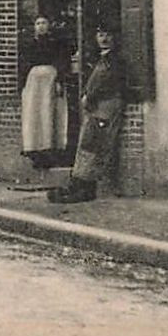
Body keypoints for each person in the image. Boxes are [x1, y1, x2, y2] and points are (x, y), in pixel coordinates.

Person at [48, 27, 127, 204]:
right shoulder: (100, 59)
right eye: (100, 35)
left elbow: (105, 82)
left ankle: (85, 187)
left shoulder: (114, 61)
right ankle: (78, 184)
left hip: (106, 105)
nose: (104, 39)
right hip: (97, 106)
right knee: (87, 144)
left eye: (108, 34)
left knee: (95, 145)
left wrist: (89, 96)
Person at [20, 16, 64, 168]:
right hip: (34, 82)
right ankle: (35, 150)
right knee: (34, 113)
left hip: (50, 80)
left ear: (49, 25)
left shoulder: (55, 44)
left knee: (48, 112)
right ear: (34, 27)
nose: (41, 26)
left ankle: (49, 148)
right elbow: (24, 64)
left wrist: (59, 81)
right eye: (38, 23)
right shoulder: (29, 44)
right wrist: (24, 85)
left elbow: (60, 61)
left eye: (44, 23)